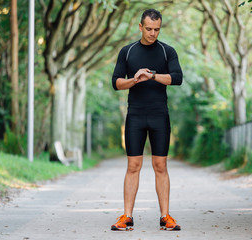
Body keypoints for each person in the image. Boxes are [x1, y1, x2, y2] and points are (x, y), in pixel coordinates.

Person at [111, 8, 183, 231]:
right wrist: (135, 79)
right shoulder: (128, 51)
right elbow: (116, 83)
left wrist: (151, 76)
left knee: (160, 165)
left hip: (160, 115)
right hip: (136, 115)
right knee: (133, 165)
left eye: (157, 29)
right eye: (149, 29)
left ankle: (165, 217)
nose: (153, 33)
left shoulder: (167, 51)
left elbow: (178, 78)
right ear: (140, 27)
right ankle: (127, 216)